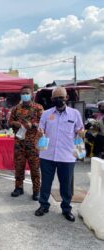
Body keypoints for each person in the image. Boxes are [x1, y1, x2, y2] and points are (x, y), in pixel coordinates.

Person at [35, 86, 84, 222]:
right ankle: (44, 205)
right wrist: (39, 133)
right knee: (45, 183)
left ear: (66, 98)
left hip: (67, 156)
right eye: (56, 98)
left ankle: (66, 209)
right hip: (47, 155)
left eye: (61, 97)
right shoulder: (46, 114)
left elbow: (80, 131)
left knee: (66, 185)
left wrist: (80, 139)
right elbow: (41, 129)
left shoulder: (75, 114)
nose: (59, 100)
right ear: (51, 99)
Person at [9, 86, 44, 201]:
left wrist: (33, 125)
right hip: (19, 143)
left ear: (32, 95)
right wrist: (16, 123)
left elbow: (43, 123)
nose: (25, 95)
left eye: (27, 93)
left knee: (35, 169)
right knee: (19, 167)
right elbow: (9, 122)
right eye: (23, 93)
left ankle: (36, 190)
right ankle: (19, 188)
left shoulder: (38, 108)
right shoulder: (16, 109)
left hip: (33, 144)